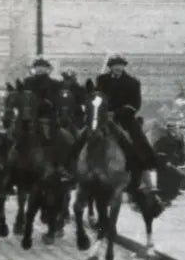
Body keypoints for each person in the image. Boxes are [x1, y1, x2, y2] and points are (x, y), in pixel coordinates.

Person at [69, 54, 163, 208]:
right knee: (82, 136)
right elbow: (96, 98)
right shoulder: (102, 80)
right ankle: (71, 167)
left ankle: (144, 172)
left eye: (120, 65)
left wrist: (119, 113)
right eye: (114, 65)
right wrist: (102, 111)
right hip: (103, 117)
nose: (118, 67)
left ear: (124, 66)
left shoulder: (133, 82)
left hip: (124, 118)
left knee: (138, 140)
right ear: (110, 67)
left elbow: (135, 103)